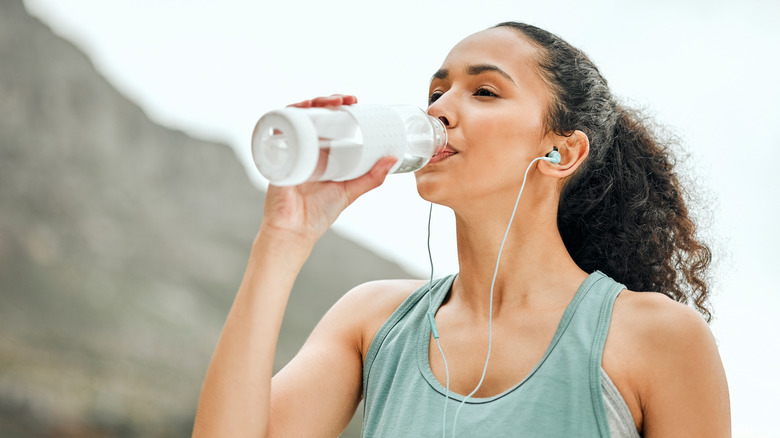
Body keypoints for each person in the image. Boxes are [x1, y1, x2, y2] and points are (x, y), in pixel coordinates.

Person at [192, 22, 730, 437]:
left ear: (560, 150)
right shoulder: (373, 323)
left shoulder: (658, 338)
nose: (441, 109)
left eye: (485, 92)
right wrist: (282, 238)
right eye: (436, 92)